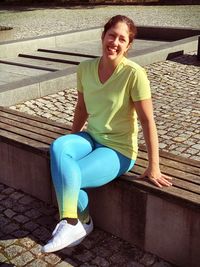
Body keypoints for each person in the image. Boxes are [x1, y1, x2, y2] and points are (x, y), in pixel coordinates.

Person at [42, 15, 172, 253]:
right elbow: (81, 108)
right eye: (111, 35)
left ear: (128, 46)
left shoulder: (134, 74)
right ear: (102, 36)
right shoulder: (85, 68)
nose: (115, 42)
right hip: (91, 138)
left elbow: (147, 121)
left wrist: (154, 165)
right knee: (59, 148)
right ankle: (77, 222)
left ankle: (74, 222)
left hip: (119, 150)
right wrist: (72, 142)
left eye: (122, 39)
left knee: (71, 177)